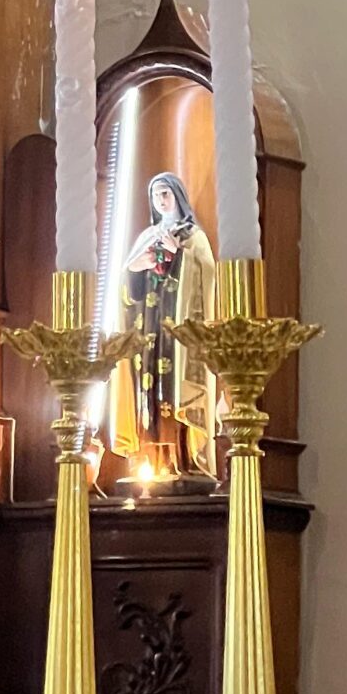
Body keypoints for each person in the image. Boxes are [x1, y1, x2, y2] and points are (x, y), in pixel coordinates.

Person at [109, 170, 219, 480]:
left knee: (174, 392)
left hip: (179, 335)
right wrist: (133, 271)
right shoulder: (147, 237)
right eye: (156, 195)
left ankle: (182, 461)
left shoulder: (193, 237)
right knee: (149, 393)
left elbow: (206, 275)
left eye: (166, 194)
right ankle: (150, 460)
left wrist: (177, 255)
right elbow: (128, 290)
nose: (161, 200)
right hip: (151, 332)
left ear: (178, 197)